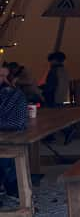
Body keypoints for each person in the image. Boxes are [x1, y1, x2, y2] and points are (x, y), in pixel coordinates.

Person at [0, 66, 27, 198]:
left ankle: (10, 183)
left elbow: (18, 122)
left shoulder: (16, 96)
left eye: (5, 76)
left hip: (9, 139)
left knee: (7, 153)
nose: (3, 80)